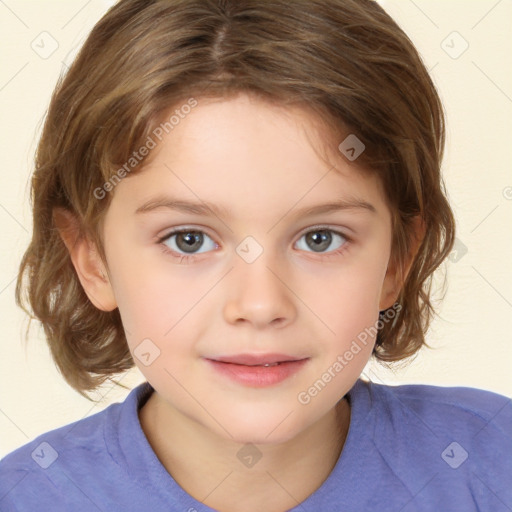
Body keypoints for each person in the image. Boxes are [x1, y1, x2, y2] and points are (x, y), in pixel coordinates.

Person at [1, 0, 510, 511]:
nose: (261, 304)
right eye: (189, 240)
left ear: (397, 259)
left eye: (320, 238)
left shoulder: (490, 463)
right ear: (93, 260)